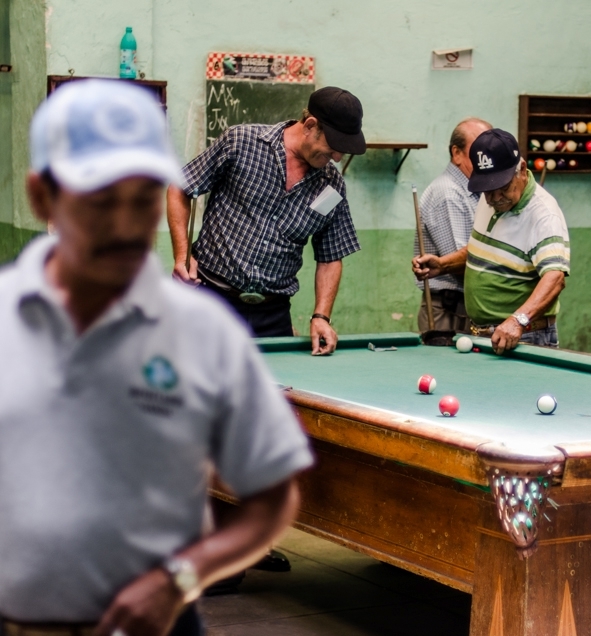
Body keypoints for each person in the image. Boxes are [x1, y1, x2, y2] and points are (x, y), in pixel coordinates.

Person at [3, 79, 313, 635]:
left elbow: (272, 494)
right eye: (99, 198)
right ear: (43, 197)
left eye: (143, 196)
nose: (125, 223)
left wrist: (179, 580)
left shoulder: (203, 330)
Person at [167, 86, 365, 355]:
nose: (338, 157)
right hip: (212, 299)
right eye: (333, 146)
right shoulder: (241, 142)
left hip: (273, 314)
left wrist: (321, 316)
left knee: (278, 395)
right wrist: (182, 255)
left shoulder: (331, 187)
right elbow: (180, 188)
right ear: (310, 125)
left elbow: (330, 256)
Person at [413, 129, 570, 354]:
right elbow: (481, 253)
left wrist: (518, 320)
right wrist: (443, 264)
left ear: (522, 170)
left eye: (503, 188)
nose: (495, 198)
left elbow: (555, 278)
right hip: (481, 334)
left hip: (524, 336)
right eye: (488, 190)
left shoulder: (543, 214)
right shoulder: (489, 201)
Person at [414, 117, 492, 333]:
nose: (486, 157)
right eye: (478, 150)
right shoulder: (448, 193)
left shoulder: (478, 193)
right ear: (457, 153)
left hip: (468, 307)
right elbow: (461, 264)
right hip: (449, 311)